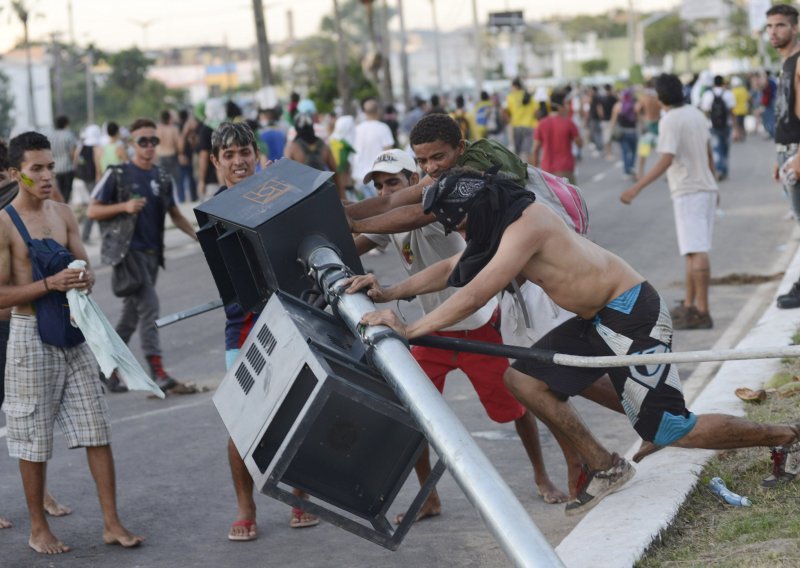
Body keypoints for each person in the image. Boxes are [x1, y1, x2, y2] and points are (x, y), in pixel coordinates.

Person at [348, 165, 800, 515]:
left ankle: (786, 437)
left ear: (475, 210)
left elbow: (475, 292)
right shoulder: (497, 222)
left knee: (669, 428)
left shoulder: (527, 225)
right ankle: (603, 464)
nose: (461, 235)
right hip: (595, 318)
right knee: (523, 380)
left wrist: (410, 329)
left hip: (630, 314)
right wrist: (388, 291)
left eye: (460, 226)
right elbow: (451, 270)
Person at [354, 149, 567, 519]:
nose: (386, 191)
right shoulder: (394, 225)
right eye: (379, 186)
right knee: (414, 415)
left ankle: (541, 475)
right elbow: (362, 239)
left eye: (393, 183)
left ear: (413, 184)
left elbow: (395, 214)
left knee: (516, 408)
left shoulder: (437, 211)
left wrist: (353, 215)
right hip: (426, 336)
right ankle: (429, 497)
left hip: (476, 328)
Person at [0, 131, 144, 553]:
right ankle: (38, 528)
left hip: (73, 330)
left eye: (50, 166)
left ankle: (112, 523)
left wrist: (85, 277)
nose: (46, 176)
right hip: (29, 336)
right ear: (14, 174)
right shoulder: (5, 222)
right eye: (36, 169)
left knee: (97, 429)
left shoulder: (63, 213)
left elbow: (86, 266)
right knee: (32, 438)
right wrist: (49, 283)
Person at [207, 122, 319, 540]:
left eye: (244, 153)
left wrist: (283, 185)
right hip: (244, 329)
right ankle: (245, 506)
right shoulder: (214, 213)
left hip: (293, 317)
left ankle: (299, 496)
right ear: (216, 162)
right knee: (243, 425)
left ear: (255, 154)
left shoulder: (277, 192)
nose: (238, 162)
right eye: (229, 155)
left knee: (299, 412)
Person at [87, 118, 198, 391]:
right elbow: (92, 210)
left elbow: (174, 213)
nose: (149, 146)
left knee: (130, 317)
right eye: (143, 141)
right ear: (132, 144)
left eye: (153, 141)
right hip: (128, 254)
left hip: (152, 255)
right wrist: (124, 206)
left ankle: (107, 369)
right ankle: (158, 372)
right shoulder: (118, 174)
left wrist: (198, 236)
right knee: (150, 308)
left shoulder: (161, 176)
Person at [0, 141, 72, 531]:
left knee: (32, 415)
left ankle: (41, 494)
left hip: (23, 318)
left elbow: (50, 214)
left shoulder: (23, 175)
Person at [621, 74, 718, 331]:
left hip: (689, 190)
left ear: (661, 96)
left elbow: (666, 159)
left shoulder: (670, 120)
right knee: (691, 250)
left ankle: (703, 312)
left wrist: (636, 187)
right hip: (704, 187)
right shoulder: (695, 113)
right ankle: (690, 305)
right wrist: (714, 181)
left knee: (697, 250)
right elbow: (708, 152)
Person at [767, 4, 800, 310]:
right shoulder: (785, 63)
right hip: (787, 152)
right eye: (769, 26)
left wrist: (797, 157)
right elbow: (785, 115)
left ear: (795, 27)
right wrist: (779, 157)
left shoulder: (799, 62)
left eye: (780, 25)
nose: (773, 32)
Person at [284, 112, 344, 198]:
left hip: (304, 195)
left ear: (296, 128)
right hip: (326, 191)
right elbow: (336, 173)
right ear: (312, 127)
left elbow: (287, 176)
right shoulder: (324, 146)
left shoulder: (291, 148)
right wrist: (342, 195)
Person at [529, 90, 582, 184]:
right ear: (559, 107)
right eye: (566, 105)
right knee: (570, 198)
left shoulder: (542, 123)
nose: (568, 108)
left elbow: (535, 149)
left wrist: (535, 170)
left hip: (547, 171)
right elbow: (579, 144)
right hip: (566, 169)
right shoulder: (569, 123)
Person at [352, 99, 395, 198]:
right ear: (378, 111)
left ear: (364, 112)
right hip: (377, 176)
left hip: (358, 176)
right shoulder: (383, 128)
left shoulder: (357, 129)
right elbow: (388, 153)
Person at [700, 76, 735, 182]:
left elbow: (705, 111)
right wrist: (735, 125)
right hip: (726, 124)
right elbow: (732, 110)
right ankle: (723, 170)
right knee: (724, 148)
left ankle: (718, 170)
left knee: (716, 148)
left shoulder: (708, 95)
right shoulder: (728, 94)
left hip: (712, 125)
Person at [610, 88, 639, 180]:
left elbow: (613, 120)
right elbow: (637, 119)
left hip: (622, 132)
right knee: (633, 151)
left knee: (625, 152)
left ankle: (626, 171)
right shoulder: (634, 105)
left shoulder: (618, 106)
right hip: (633, 131)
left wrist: (612, 130)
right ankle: (631, 167)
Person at [505, 78, 537, 159]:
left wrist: (509, 121)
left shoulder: (510, 97)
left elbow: (506, 111)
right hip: (529, 125)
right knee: (528, 151)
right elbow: (536, 111)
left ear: (515, 86)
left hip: (516, 126)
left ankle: (519, 169)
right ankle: (530, 170)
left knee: (517, 153)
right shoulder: (529, 95)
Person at [637, 80, 662, 180]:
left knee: (643, 152)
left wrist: (642, 120)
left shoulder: (644, 98)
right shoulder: (657, 98)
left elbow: (637, 110)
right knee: (663, 151)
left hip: (647, 124)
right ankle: (667, 173)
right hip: (657, 124)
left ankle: (640, 173)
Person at [49, 115, 74, 203]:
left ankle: (60, 206)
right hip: (67, 167)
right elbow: (72, 153)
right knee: (67, 191)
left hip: (55, 168)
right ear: (66, 124)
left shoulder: (51, 136)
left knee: (58, 191)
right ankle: (65, 206)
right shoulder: (68, 135)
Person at [155, 110, 181, 187]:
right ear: (169, 118)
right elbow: (178, 143)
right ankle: (181, 198)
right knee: (177, 180)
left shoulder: (157, 129)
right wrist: (180, 154)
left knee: (163, 180)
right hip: (172, 155)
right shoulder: (173, 129)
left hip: (161, 156)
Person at [730, 76, 749, 142]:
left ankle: (737, 136)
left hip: (735, 110)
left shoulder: (733, 91)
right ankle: (742, 135)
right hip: (743, 110)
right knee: (742, 123)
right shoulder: (743, 90)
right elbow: (748, 98)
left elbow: (731, 101)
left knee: (736, 124)